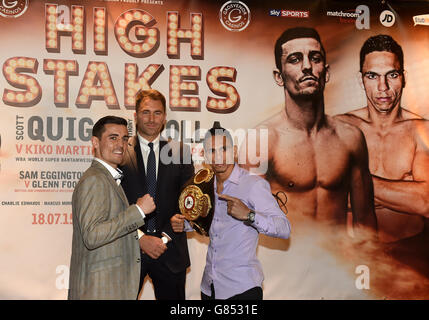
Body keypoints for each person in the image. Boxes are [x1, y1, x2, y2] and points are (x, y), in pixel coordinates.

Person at [239, 27, 377, 237]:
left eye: (315, 58)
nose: (307, 66)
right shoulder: (261, 140)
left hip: (336, 264)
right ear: (279, 77)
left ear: (327, 72)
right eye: (295, 59)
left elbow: (365, 221)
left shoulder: (351, 138)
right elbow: (243, 218)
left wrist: (368, 265)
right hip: (283, 264)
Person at [335, 35, 429, 274]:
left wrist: (356, 182)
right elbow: (325, 194)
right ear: (361, 80)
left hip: (410, 255)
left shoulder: (422, 130)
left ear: (404, 77)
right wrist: (404, 189)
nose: (383, 88)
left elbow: (425, 201)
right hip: (348, 254)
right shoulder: (340, 127)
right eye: (372, 76)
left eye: (392, 75)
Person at [171, 124, 291, 300]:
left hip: (241, 290)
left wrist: (249, 215)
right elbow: (212, 223)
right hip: (209, 287)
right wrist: (185, 225)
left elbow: (284, 228)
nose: (218, 156)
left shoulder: (252, 185)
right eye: (212, 150)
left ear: (234, 151)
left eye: (223, 149)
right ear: (204, 155)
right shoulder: (205, 185)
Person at [68, 116, 156, 300]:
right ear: (95, 142)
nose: (121, 145)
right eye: (113, 138)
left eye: (125, 138)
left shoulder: (108, 178)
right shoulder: (95, 180)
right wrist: (138, 211)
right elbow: (92, 235)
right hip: (99, 290)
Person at [120, 89, 195, 300]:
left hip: (170, 251)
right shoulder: (120, 152)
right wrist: (141, 238)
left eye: (157, 113)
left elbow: (187, 201)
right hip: (130, 250)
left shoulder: (181, 152)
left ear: (164, 117)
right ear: (135, 116)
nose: (152, 119)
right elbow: (115, 203)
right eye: (145, 112)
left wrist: (163, 239)